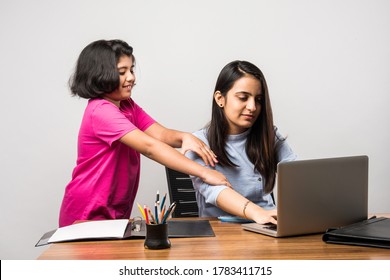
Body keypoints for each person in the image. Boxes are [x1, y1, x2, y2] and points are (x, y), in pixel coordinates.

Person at [59, 39, 231, 227]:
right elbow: (150, 147)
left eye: (131, 70)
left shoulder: (127, 106)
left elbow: (160, 134)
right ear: (101, 75)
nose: (131, 77)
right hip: (87, 212)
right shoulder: (100, 111)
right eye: (122, 72)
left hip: (115, 210)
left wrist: (185, 137)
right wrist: (204, 173)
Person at [186, 60, 297, 225]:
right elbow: (216, 191)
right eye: (243, 98)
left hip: (268, 226)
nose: (252, 107)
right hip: (222, 231)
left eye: (258, 100)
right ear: (220, 99)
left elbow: (296, 174)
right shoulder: (198, 142)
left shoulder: (269, 137)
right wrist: (257, 213)